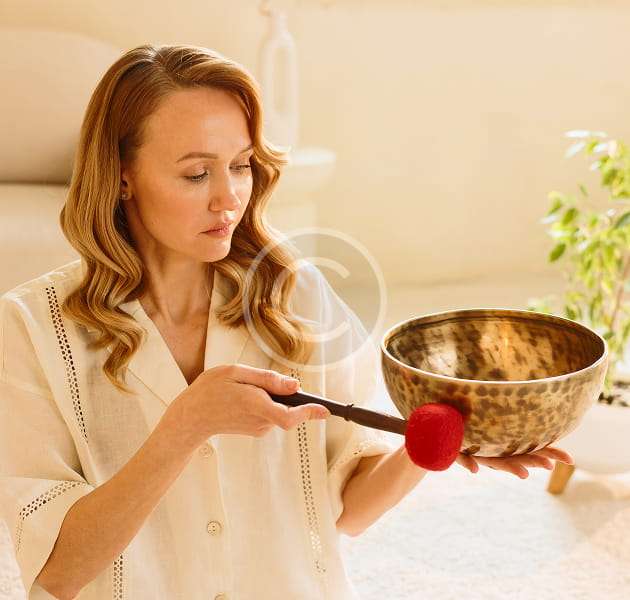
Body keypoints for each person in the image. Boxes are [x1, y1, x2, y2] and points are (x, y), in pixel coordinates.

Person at [0, 44, 573, 600]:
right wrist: (183, 430)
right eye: (196, 174)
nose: (229, 198)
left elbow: (348, 510)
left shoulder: (294, 294)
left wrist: (431, 444)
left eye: (241, 166)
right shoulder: (31, 328)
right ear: (122, 175)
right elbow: (59, 573)